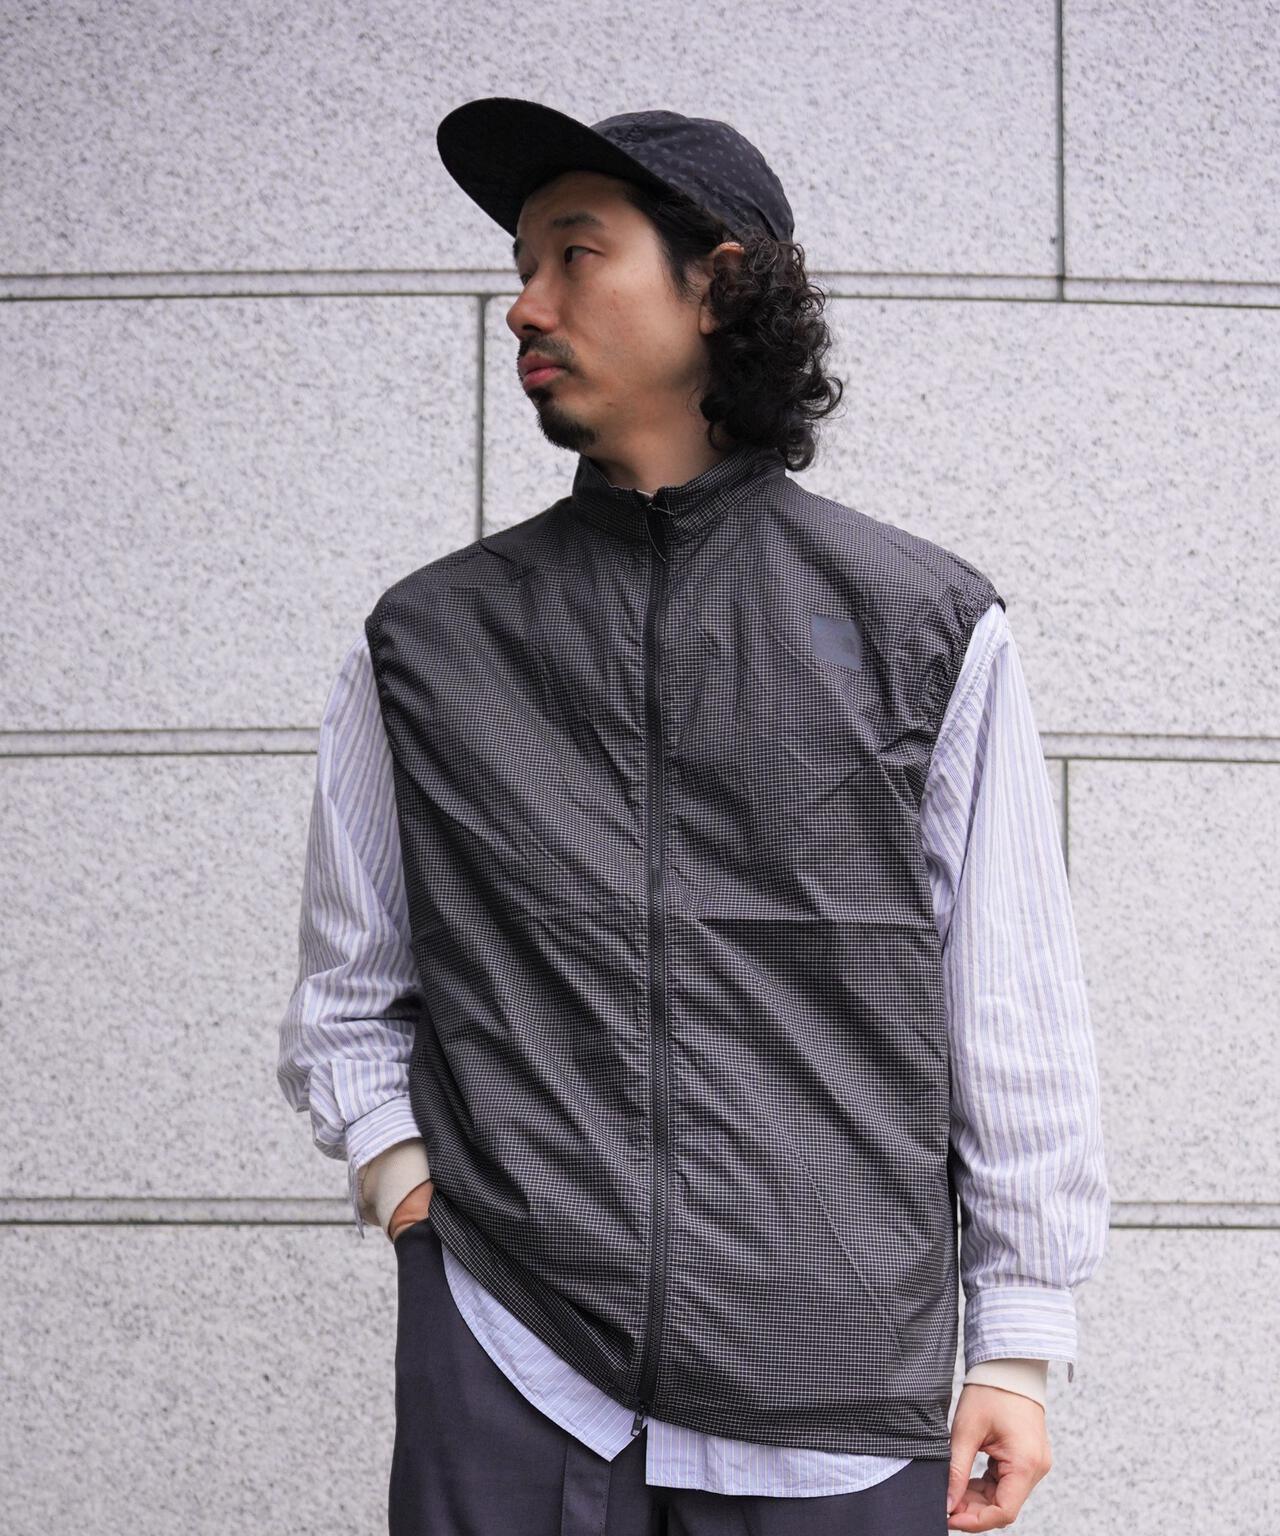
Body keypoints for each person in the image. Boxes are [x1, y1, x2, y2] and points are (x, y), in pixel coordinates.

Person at [277, 97, 1110, 1535]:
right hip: (518, 1360)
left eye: (574, 254)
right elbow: (352, 991)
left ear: (716, 285)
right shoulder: (426, 642)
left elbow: (1010, 1003)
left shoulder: (921, 626)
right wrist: (410, 1191)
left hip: (835, 1389)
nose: (524, 305)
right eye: (521, 265)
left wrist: (1019, 1340)